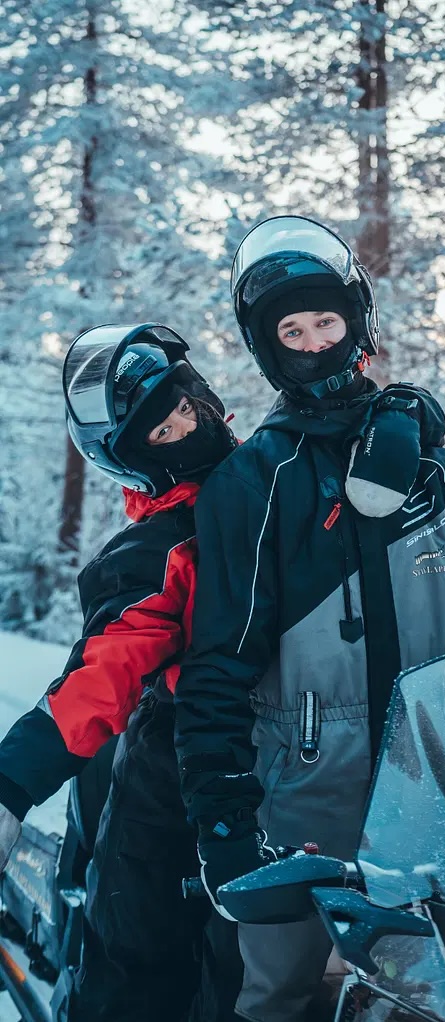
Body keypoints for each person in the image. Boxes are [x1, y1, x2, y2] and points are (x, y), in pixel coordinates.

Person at [173, 215, 445, 1022]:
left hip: (427, 780)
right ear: (267, 349)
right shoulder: (253, 483)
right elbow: (220, 663)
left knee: (430, 991)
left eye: (324, 322)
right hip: (300, 794)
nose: (310, 344)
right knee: (281, 992)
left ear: (356, 324)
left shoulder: (434, 471)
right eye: (289, 331)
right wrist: (224, 817)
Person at [0, 324, 241, 1021]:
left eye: (186, 409)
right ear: (138, 463)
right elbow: (103, 671)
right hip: (176, 776)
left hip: (300, 764)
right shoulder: (156, 549)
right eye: (164, 432)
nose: (188, 427)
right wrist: (13, 781)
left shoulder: (277, 481)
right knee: (132, 969)